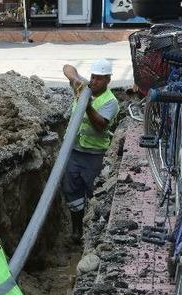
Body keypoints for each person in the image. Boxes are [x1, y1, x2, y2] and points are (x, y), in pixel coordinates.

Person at [61, 58, 120, 243]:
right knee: (72, 191)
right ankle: (76, 231)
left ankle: (92, 235)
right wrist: (76, 80)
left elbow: (101, 125)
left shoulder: (110, 101)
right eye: (93, 77)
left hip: (94, 156)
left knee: (93, 192)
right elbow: (67, 67)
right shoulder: (84, 88)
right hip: (73, 151)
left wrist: (87, 107)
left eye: (99, 79)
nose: (94, 82)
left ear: (108, 80)